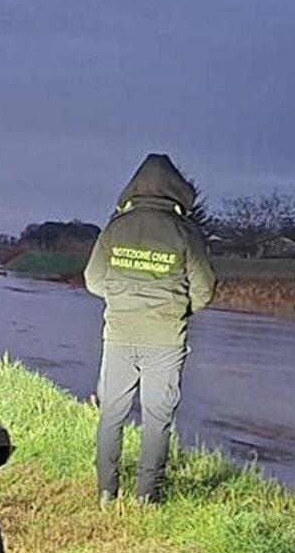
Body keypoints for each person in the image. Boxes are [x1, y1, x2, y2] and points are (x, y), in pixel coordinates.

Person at [83, 154, 216, 503]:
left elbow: (93, 280)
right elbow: (204, 290)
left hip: (119, 335)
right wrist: (177, 309)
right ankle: (146, 495)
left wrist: (122, 299)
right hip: (166, 339)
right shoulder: (185, 232)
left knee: (111, 415)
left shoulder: (116, 227)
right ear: (177, 190)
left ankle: (106, 491)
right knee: (157, 419)